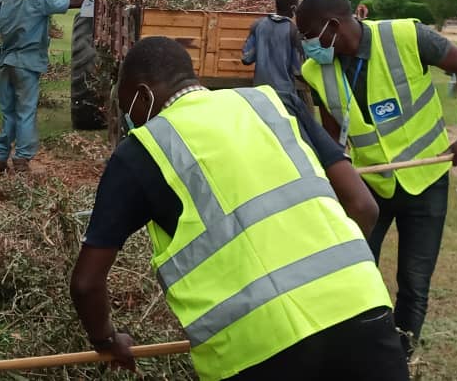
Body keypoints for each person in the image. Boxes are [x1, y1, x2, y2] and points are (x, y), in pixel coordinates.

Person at [70, 36, 410, 381]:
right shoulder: (276, 104)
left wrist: (107, 339)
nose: (131, 120)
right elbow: (363, 206)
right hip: (362, 310)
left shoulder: (141, 151)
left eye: (128, 108)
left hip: (256, 349)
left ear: (143, 96)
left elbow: (86, 282)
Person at [295, 0, 457, 360]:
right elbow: (334, 133)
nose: (306, 45)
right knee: (357, 270)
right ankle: (361, 351)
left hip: (425, 182)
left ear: (332, 26)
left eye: (309, 35)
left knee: (414, 282)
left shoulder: (404, 36)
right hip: (370, 189)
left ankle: (402, 354)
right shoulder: (316, 70)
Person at [0, 0, 94, 173]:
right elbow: (76, 1)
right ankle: (22, 159)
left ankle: (0, 156)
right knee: (25, 111)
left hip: (7, 63)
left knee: (9, 112)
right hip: (27, 65)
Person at [241, 0, 303, 102]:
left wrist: (261, 45)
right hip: (284, 96)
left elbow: (246, 58)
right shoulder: (294, 31)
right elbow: (297, 70)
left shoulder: (258, 25)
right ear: (294, 8)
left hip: (260, 93)